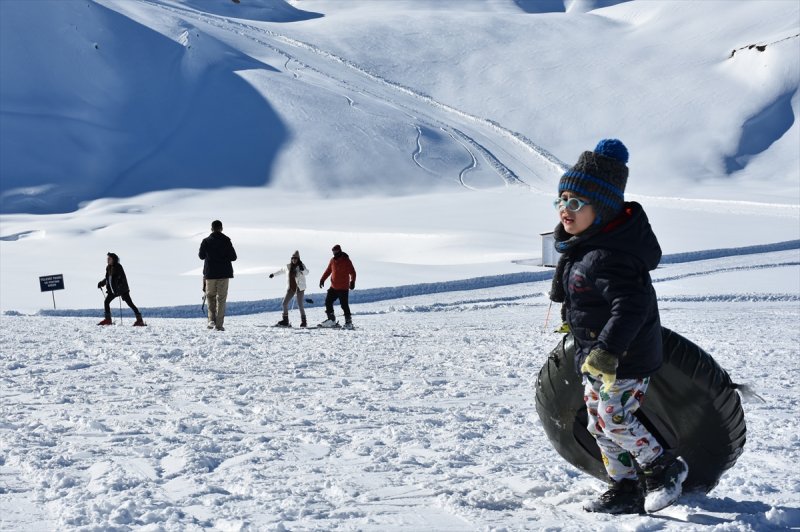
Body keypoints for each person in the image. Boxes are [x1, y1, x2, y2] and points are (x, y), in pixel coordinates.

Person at [548, 139, 688, 515]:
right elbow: (585, 299)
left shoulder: (611, 256)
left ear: (604, 208)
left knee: (615, 419)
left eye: (576, 202)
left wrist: (608, 349)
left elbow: (632, 307)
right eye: (561, 199)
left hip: (623, 358)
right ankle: (624, 486)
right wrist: (574, 328)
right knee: (598, 425)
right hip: (596, 357)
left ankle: (664, 468)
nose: (565, 209)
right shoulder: (586, 250)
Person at [199, 220, 237, 331]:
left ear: (211, 228)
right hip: (224, 274)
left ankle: (211, 320)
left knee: (210, 297)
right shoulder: (226, 240)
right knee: (221, 299)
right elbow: (233, 257)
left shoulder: (206, 241)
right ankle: (219, 325)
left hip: (210, 274)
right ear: (221, 228)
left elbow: (201, 256)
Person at [97, 252, 145, 326]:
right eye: (107, 258)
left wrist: (119, 285)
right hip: (113, 290)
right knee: (106, 302)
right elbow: (108, 278)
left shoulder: (118, 267)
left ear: (113, 259)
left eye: (109, 258)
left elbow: (121, 278)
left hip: (122, 290)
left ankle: (140, 320)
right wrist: (101, 283)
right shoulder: (108, 267)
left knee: (130, 304)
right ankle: (108, 320)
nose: (107, 259)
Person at [318, 244, 356, 328]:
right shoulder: (332, 260)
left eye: (336, 251)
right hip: (334, 287)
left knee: (344, 305)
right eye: (333, 251)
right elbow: (328, 270)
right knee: (328, 302)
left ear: (339, 251)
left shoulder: (346, 260)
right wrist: (322, 279)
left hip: (343, 288)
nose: (334, 253)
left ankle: (348, 322)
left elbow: (353, 272)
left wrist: (352, 281)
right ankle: (331, 320)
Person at [269, 250, 309, 327]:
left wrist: (302, 269)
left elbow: (307, 272)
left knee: (300, 304)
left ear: (298, 259)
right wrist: (273, 274)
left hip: (300, 288)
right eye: (293, 258)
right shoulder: (288, 266)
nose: (294, 259)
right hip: (291, 288)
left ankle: (304, 322)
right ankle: (285, 321)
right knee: (284, 303)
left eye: (296, 258)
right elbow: (281, 271)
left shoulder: (302, 266)